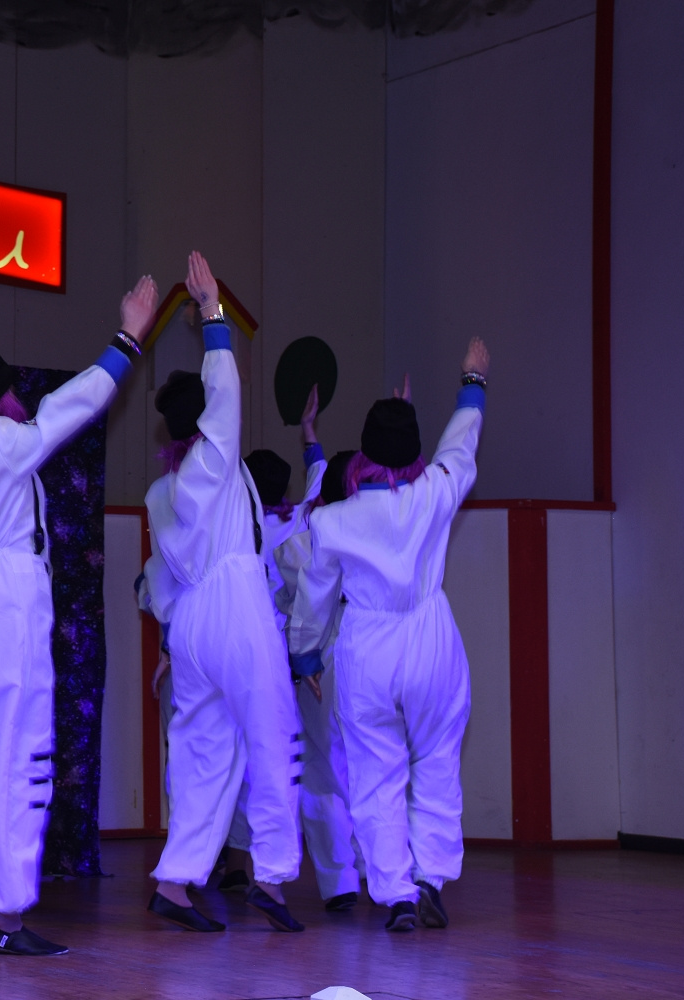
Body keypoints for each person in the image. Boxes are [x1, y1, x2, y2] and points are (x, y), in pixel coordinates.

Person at [0, 273, 157, 956]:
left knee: (7, 755)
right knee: (26, 756)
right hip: (6, 596)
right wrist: (128, 336)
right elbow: (69, 407)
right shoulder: (1, 441)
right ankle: (4, 913)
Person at [289, 339, 490, 932]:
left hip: (367, 646)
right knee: (437, 760)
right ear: (414, 453)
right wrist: (473, 382)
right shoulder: (435, 492)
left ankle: (397, 894)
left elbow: (314, 597)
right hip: (430, 638)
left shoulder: (332, 520)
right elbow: (459, 446)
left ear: (364, 451)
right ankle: (430, 878)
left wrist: (306, 656)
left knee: (376, 774)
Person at [144, 252, 304, 934]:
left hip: (189, 622)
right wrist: (211, 314)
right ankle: (270, 876)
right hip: (236, 605)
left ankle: (175, 882)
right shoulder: (215, 458)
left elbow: (159, 581)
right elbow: (227, 385)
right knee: (272, 733)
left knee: (203, 750)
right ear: (205, 420)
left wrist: (168, 643)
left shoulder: (161, 491)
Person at [218, 396, 360, 912]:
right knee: (376, 766)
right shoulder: (315, 522)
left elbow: (304, 604)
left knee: (295, 768)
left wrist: (302, 658)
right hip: (354, 654)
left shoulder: (279, 535)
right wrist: (310, 434)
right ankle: (390, 875)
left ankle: (329, 880)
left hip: (294, 659)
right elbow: (322, 479)